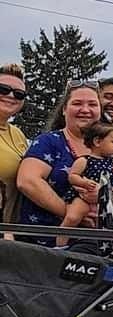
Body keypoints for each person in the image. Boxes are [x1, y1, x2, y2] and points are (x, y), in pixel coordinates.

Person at [16, 81, 113, 246]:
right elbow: (27, 181)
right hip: (41, 243)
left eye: (92, 104)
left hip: (97, 246)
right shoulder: (48, 142)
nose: (85, 110)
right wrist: (72, 214)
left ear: (100, 111)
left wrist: (104, 195)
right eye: (77, 103)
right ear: (64, 109)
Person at [58, 122, 113, 246]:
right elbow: (72, 176)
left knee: (106, 225)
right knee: (72, 218)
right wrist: (84, 182)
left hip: (104, 202)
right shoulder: (84, 160)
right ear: (97, 141)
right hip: (83, 198)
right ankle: (60, 244)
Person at [0, 63, 27, 224]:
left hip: (8, 233)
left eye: (19, 94)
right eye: (3, 89)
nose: (11, 96)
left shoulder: (18, 135)